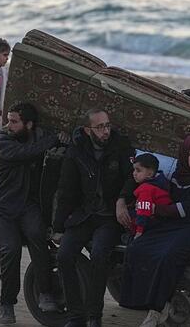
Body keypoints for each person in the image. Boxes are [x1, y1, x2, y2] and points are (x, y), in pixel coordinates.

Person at [119, 135, 190, 327]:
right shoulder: (178, 175)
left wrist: (154, 210)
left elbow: (186, 208)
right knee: (138, 246)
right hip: (175, 225)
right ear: (184, 156)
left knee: (168, 254)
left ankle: (158, 308)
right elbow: (164, 197)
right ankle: (140, 301)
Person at [52, 109, 134, 327]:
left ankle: (94, 316)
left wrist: (121, 200)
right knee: (64, 255)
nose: (106, 131)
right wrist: (58, 226)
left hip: (109, 217)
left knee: (99, 254)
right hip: (84, 215)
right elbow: (67, 189)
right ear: (88, 130)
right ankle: (75, 316)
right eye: (100, 127)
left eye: (107, 125)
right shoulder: (77, 150)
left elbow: (132, 178)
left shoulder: (121, 146)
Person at [0, 102, 63, 325]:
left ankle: (46, 292)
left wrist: (63, 138)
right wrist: (54, 139)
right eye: (8, 120)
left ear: (28, 124)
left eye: (14, 121)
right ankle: (7, 303)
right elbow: (25, 153)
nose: (8, 125)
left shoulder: (38, 137)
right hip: (1, 207)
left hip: (27, 206)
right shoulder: (3, 140)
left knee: (38, 237)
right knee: (10, 250)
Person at [129, 153, 171, 239]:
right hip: (164, 220)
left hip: (155, 223)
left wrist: (139, 232)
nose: (134, 173)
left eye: (138, 170)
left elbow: (143, 210)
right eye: (134, 170)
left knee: (131, 214)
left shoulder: (146, 189)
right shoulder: (161, 183)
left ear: (149, 174)